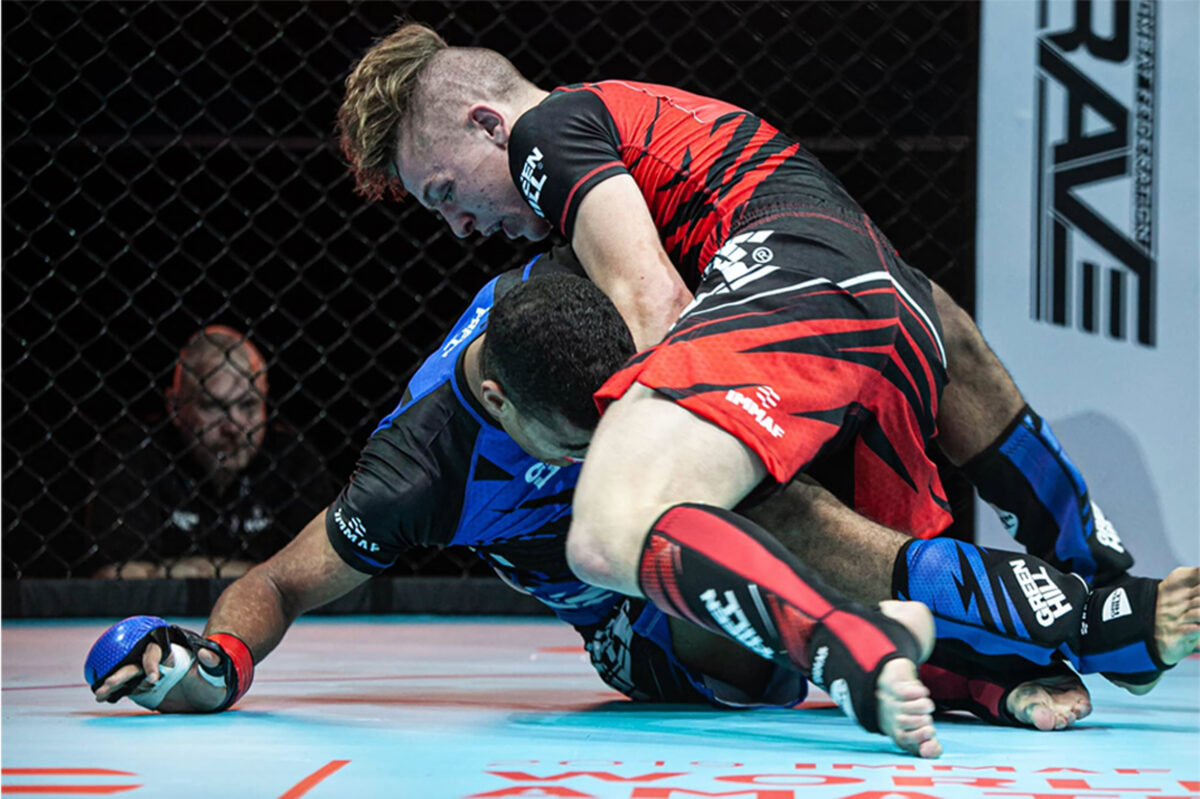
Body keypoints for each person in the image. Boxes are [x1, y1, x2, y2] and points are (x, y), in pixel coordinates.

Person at [334, 23, 1198, 751]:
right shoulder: (633, 116)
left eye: (443, 190)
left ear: (489, 124)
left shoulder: (545, 134)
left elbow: (653, 302)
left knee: (616, 524)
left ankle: (1020, 628)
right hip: (890, 300)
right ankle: (1092, 600)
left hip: (791, 275)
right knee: (859, 552)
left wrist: (651, 453)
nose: (456, 225)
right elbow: (927, 319)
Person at [88, 265, 1197, 755]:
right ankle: (992, 659)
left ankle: (1007, 627)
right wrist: (217, 663)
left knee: (879, 364)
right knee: (701, 538)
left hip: (730, 507)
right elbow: (280, 581)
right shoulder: (417, 472)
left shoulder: (585, 289)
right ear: (496, 403)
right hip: (644, 626)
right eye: (576, 445)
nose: (604, 456)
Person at [85, 326, 338, 578]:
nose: (234, 427)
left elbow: (321, 573)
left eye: (248, 405)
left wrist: (188, 572)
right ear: (175, 407)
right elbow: (118, 576)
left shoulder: (292, 457)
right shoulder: (136, 453)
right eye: (214, 406)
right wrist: (270, 575)